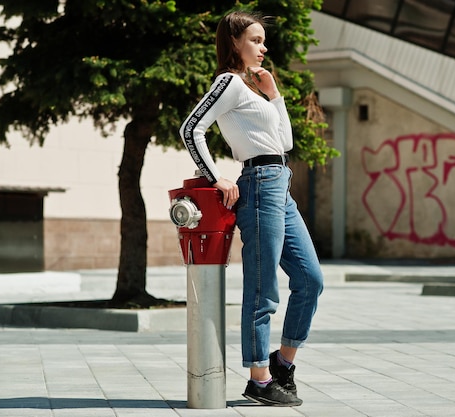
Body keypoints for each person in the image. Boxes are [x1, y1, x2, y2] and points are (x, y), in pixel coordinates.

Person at [179, 10, 324, 407]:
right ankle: (259, 377)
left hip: (281, 185)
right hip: (258, 184)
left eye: (263, 41)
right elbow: (191, 128)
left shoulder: (254, 88)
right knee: (263, 288)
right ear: (235, 43)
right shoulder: (227, 82)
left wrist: (274, 93)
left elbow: (286, 142)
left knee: (311, 280)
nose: (263, 47)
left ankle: (283, 363)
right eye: (256, 40)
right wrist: (215, 178)